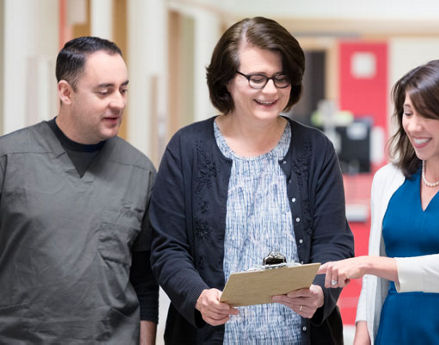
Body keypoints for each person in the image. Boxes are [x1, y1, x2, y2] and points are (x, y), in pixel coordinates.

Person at [0, 36, 158, 344]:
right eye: (104, 91)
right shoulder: (3, 159)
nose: (118, 102)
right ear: (66, 92)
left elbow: (145, 282)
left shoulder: (140, 171)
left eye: (123, 89)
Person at [149, 17, 354, 344]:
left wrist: (319, 291)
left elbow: (335, 241)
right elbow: (167, 247)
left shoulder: (315, 150)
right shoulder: (187, 148)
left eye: (281, 78)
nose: (271, 90)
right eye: (257, 78)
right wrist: (198, 295)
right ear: (226, 80)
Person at [319, 59, 439, 345]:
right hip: (392, 334)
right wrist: (362, 332)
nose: (413, 126)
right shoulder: (389, 179)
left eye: (428, 115)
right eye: (408, 113)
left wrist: (367, 264)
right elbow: (375, 281)